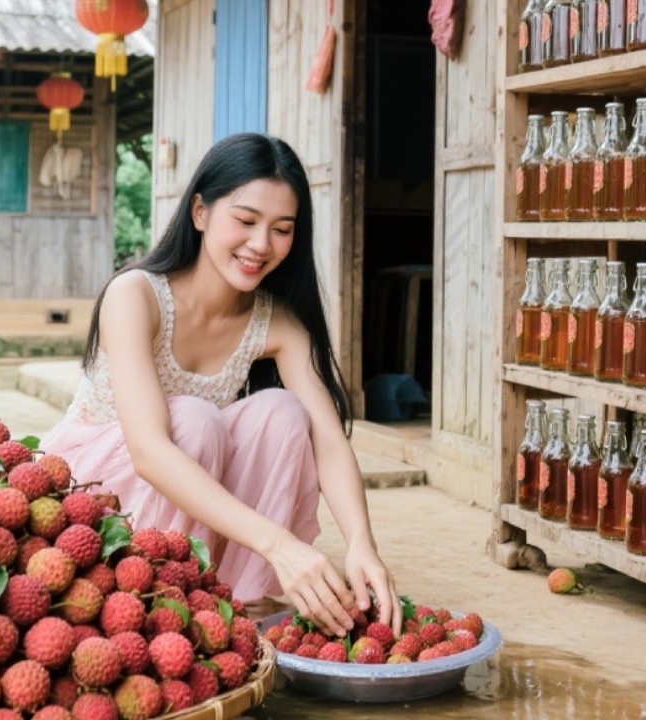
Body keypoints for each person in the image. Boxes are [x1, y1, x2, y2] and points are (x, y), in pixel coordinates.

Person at [42, 133, 400, 636]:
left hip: (182, 496)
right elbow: (150, 452)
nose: (261, 245)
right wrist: (280, 544)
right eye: (246, 221)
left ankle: (233, 599)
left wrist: (362, 542)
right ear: (200, 213)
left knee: (282, 413)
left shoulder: (275, 322)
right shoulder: (135, 296)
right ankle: (151, 594)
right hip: (89, 501)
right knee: (194, 420)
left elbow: (329, 441)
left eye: (282, 229)